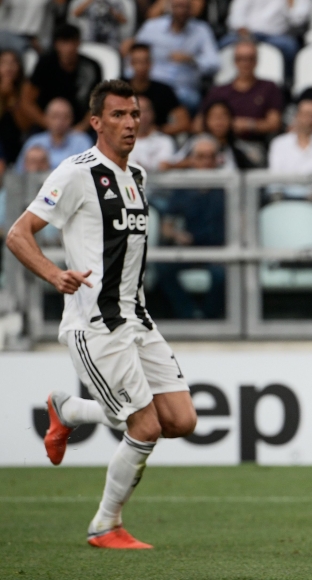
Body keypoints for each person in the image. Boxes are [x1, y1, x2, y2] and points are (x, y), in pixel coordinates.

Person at [4, 79, 197, 548]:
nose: (130, 123)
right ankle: (105, 524)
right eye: (118, 115)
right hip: (96, 325)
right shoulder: (75, 172)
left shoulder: (139, 176)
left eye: (134, 114)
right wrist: (54, 274)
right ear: (96, 122)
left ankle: (67, 410)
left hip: (138, 320)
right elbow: (18, 233)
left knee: (181, 420)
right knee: (145, 425)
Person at [157, 134, 227, 319]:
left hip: (220, 251)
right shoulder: (183, 187)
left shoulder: (228, 187)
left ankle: (209, 318)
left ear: (217, 159)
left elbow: (241, 222)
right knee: (162, 269)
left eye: (210, 156)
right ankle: (189, 315)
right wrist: (176, 235)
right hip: (189, 247)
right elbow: (167, 225)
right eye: (200, 156)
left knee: (222, 275)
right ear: (192, 159)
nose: (206, 161)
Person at [195, 39, 283, 162]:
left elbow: (274, 123)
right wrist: (221, 126)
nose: (245, 63)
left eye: (250, 59)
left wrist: (249, 125)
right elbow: (198, 124)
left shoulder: (268, 88)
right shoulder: (219, 91)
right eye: (240, 59)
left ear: (256, 61)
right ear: (234, 62)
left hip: (252, 145)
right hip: (218, 145)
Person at [131, 0, 221, 111]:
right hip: (154, 87)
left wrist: (192, 59)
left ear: (191, 9)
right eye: (178, 6)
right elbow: (134, 52)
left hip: (184, 91)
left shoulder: (201, 30)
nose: (181, 11)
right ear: (170, 7)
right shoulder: (152, 27)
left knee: (194, 101)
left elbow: (215, 63)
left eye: (185, 7)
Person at [23, 25, 103, 129]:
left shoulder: (92, 67)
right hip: (46, 126)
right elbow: (27, 101)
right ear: (56, 45)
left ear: (79, 43)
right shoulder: (44, 64)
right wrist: (48, 124)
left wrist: (81, 128)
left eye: (72, 42)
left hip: (82, 127)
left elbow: (98, 103)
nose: (69, 48)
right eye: (64, 43)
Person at [267, 99, 312, 198]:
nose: (309, 119)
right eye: (306, 114)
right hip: (285, 199)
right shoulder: (279, 143)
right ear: (297, 116)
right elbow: (274, 180)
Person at [221, 0, 310, 78]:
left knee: (290, 46)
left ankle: (287, 82)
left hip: (276, 36)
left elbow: (298, 21)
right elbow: (236, 15)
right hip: (247, 33)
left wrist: (290, 2)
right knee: (223, 44)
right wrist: (244, 33)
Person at [167, 99, 254, 170]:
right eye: (214, 117)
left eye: (223, 116)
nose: (219, 121)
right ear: (206, 121)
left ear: (231, 120)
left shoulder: (239, 149)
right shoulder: (194, 143)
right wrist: (191, 162)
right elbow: (172, 164)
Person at [127, 42, 191, 136]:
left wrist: (159, 130)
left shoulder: (164, 90)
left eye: (145, 61)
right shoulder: (118, 88)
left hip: (156, 140)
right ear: (131, 63)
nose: (141, 66)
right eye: (137, 61)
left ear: (151, 63)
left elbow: (184, 123)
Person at [15, 98, 94, 173]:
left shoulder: (82, 141)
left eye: (65, 117)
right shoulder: (34, 141)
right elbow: (19, 172)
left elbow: (89, 172)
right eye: (55, 116)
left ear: (72, 119)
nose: (60, 121)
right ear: (46, 118)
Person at [130, 95, 176, 171]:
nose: (142, 115)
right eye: (138, 111)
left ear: (152, 113)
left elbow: (163, 166)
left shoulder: (165, 141)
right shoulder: (120, 142)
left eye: (146, 111)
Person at [0, 50, 31, 165]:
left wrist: (12, 98)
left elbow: (25, 126)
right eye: (4, 63)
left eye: (13, 63)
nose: (9, 67)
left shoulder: (26, 89)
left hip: (19, 139)